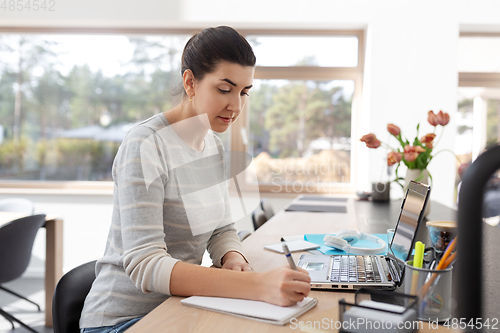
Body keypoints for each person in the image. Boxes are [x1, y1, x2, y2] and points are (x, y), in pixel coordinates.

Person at [79, 26, 311, 333]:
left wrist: (232, 257)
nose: (236, 106)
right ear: (190, 82)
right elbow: (145, 265)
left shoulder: (212, 145)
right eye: (225, 90)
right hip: (123, 321)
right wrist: (256, 285)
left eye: (244, 92)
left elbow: (221, 228)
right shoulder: (145, 145)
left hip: (179, 306)